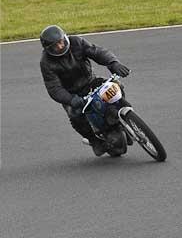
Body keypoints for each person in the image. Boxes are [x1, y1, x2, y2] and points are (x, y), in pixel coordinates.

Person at [39, 25, 131, 156]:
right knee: (75, 115)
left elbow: (97, 52)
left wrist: (112, 63)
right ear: (48, 49)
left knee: (115, 85)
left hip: (90, 82)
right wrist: (71, 100)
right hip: (72, 93)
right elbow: (54, 88)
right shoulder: (46, 63)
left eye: (61, 41)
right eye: (55, 45)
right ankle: (94, 140)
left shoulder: (76, 42)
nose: (60, 46)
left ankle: (123, 114)